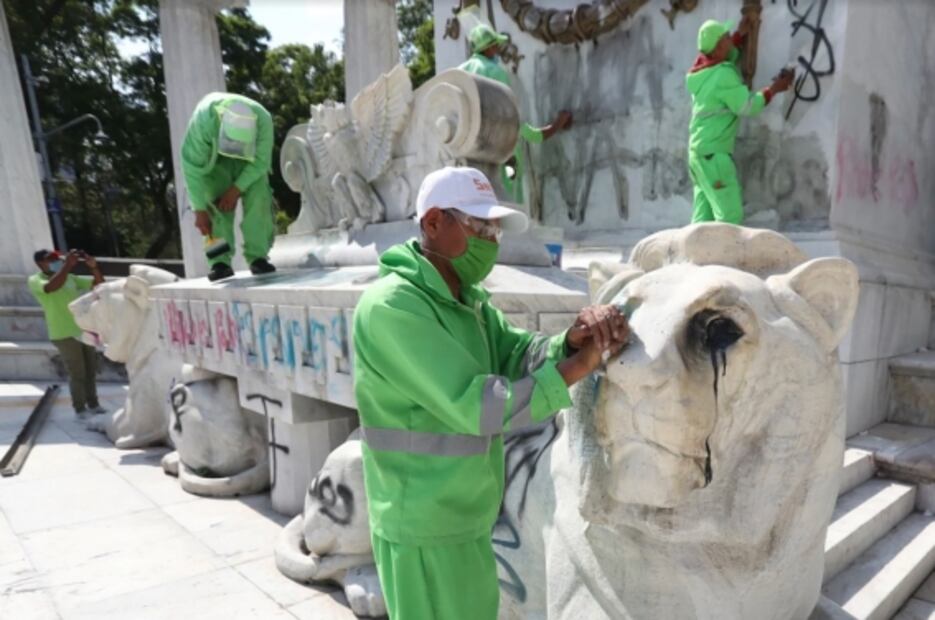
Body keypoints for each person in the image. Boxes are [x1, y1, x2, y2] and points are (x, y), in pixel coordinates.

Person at [352, 166, 630, 619]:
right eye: (479, 226)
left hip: (466, 517)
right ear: (433, 223)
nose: (491, 239)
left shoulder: (468, 301)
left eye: (495, 228)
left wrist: (570, 341)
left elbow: (517, 353)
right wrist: (577, 369)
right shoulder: (393, 307)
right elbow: (478, 406)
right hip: (423, 526)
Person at [686, 17, 795, 224]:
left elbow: (718, 56)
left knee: (702, 221)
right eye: (726, 37)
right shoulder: (723, 76)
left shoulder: (700, 74)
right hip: (714, 156)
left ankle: (697, 256)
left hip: (698, 155)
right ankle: (721, 257)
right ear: (718, 47)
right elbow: (747, 106)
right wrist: (774, 89)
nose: (730, 38)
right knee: (729, 218)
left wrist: (736, 37)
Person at [459, 24, 572, 205]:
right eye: (495, 45)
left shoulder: (460, 72)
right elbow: (513, 120)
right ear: (489, 47)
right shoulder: (496, 72)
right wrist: (558, 123)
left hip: (470, 153)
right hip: (503, 154)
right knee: (509, 200)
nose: (497, 49)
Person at [181, 92, 277, 281]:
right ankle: (219, 262)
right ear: (220, 120)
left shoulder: (264, 120)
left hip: (251, 160)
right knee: (213, 210)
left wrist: (236, 189)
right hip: (215, 160)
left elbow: (261, 161)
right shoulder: (203, 121)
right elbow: (191, 168)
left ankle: (258, 258)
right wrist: (199, 210)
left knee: (259, 200)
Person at [28, 249, 106, 417]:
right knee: (77, 372)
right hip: (63, 333)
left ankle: (93, 404)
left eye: (57, 258)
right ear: (40, 263)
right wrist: (67, 266)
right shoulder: (35, 280)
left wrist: (94, 268)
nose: (56, 261)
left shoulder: (70, 277)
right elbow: (52, 287)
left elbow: (99, 285)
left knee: (90, 370)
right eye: (51, 259)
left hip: (83, 329)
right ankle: (80, 409)